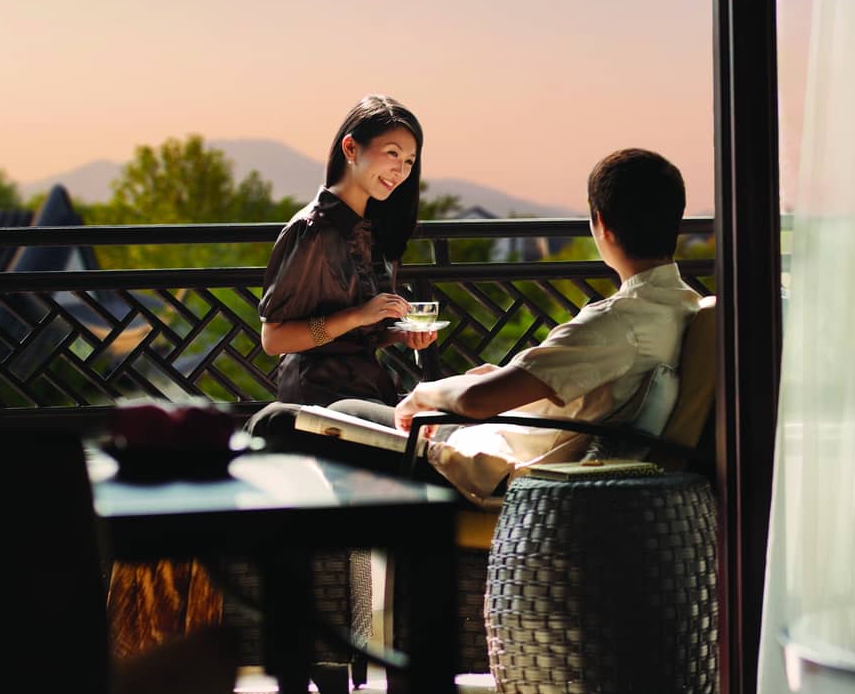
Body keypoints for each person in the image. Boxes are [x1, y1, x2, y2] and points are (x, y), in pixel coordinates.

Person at [248, 148, 699, 508]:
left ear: (599, 224)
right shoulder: (681, 306)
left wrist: (425, 395)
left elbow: (477, 401)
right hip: (498, 440)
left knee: (278, 421)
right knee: (344, 408)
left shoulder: (617, 324)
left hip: (492, 470)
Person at [259, 94, 436, 406]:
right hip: (320, 396)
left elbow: (353, 337)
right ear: (351, 148)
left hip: (366, 388)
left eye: (409, 161)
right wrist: (357, 315)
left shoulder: (371, 230)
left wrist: (398, 334)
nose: (400, 171)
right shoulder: (311, 231)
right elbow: (274, 339)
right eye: (392, 153)